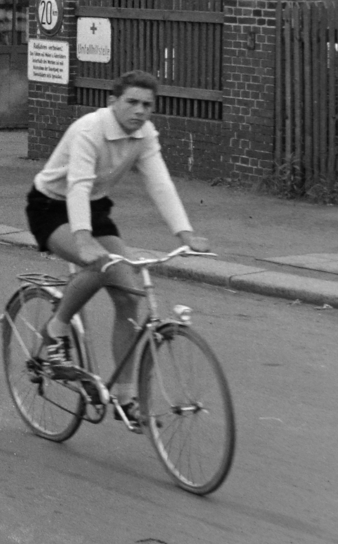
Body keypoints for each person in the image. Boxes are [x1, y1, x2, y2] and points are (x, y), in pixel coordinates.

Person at [25, 71, 211, 429]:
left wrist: (184, 232)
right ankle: (56, 330)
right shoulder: (89, 130)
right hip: (50, 207)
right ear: (113, 102)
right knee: (99, 263)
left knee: (129, 296)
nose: (140, 111)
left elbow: (160, 183)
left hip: (94, 210)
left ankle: (125, 399)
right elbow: (77, 185)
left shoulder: (144, 135)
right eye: (132, 102)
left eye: (147, 104)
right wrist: (82, 239)